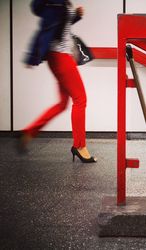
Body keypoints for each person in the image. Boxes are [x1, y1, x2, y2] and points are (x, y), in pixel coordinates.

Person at [20, 0, 97, 163]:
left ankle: (28, 132)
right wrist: (32, 55)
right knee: (80, 99)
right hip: (61, 57)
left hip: (61, 56)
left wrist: (75, 15)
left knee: (63, 104)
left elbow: (59, 26)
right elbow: (45, 29)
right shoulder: (54, 4)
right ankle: (80, 146)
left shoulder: (60, 4)